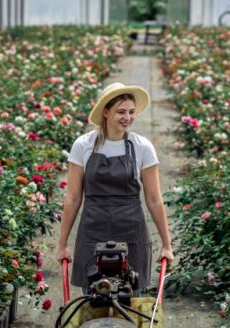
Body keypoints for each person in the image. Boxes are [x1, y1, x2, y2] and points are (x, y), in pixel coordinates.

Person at [56, 82, 174, 294]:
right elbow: (73, 198)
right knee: (93, 299)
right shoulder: (83, 145)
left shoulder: (142, 147)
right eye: (121, 112)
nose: (127, 117)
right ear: (106, 112)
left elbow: (154, 199)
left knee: (131, 297)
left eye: (131, 112)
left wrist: (167, 244)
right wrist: (62, 245)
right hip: (93, 229)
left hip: (131, 230)